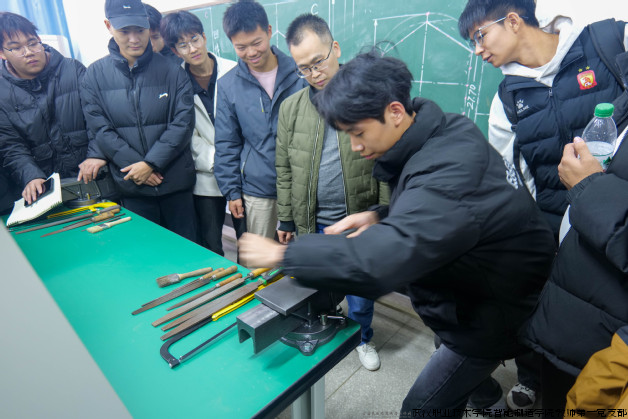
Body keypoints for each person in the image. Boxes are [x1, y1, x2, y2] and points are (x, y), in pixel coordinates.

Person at [239, 50, 556, 416]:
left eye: (358, 133)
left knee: (421, 409)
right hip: (476, 291)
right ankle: (487, 400)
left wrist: (283, 255)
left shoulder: (446, 172)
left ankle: (482, 399)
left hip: (493, 312)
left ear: (394, 112)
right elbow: (445, 213)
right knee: (447, 356)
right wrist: (381, 215)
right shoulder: (445, 130)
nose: (356, 147)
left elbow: (377, 262)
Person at [458, 0, 628, 409]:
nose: (478, 50)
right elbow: (515, 179)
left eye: (480, 36)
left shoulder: (608, 42)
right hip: (562, 237)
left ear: (514, 20)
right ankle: (536, 380)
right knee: (563, 344)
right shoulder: (506, 101)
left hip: (619, 224)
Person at [277, 13, 389, 371]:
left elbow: (387, 161)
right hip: (313, 222)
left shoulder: (367, 99)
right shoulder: (291, 108)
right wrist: (286, 218)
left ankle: (363, 338)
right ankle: (327, 329)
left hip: (359, 220)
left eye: (318, 62)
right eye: (303, 68)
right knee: (317, 286)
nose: (314, 74)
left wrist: (385, 213)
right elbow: (284, 167)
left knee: (361, 293)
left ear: (335, 49)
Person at [78, 0, 197, 242]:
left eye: (140, 30)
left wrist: (151, 163)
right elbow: (100, 128)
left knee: (188, 250)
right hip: (132, 185)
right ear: (108, 26)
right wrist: (137, 167)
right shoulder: (94, 75)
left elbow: (183, 123)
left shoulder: (173, 71)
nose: (134, 39)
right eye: (125, 31)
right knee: (145, 252)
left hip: (174, 182)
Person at [214, 0, 307, 240]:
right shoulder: (228, 85)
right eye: (241, 47)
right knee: (257, 255)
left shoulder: (301, 73)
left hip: (303, 185)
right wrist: (232, 191)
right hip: (258, 189)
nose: (251, 52)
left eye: (256, 43)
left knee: (303, 254)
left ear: (269, 31)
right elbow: (226, 143)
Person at [160, 10, 238, 255]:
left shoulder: (234, 71)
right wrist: (218, 158)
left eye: (194, 39)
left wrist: (232, 159)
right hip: (206, 176)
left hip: (240, 173)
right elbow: (182, 131)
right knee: (211, 244)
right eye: (183, 45)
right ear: (175, 51)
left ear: (204, 37)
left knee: (248, 242)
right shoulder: (175, 82)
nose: (192, 48)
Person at [0, 12, 89, 205]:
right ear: (2, 53)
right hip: (46, 191)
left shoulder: (73, 70)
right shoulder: (2, 92)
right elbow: (11, 145)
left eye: (32, 43)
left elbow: (98, 119)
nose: (28, 52)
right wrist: (31, 176)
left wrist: (96, 155)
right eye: (16, 48)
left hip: (91, 178)